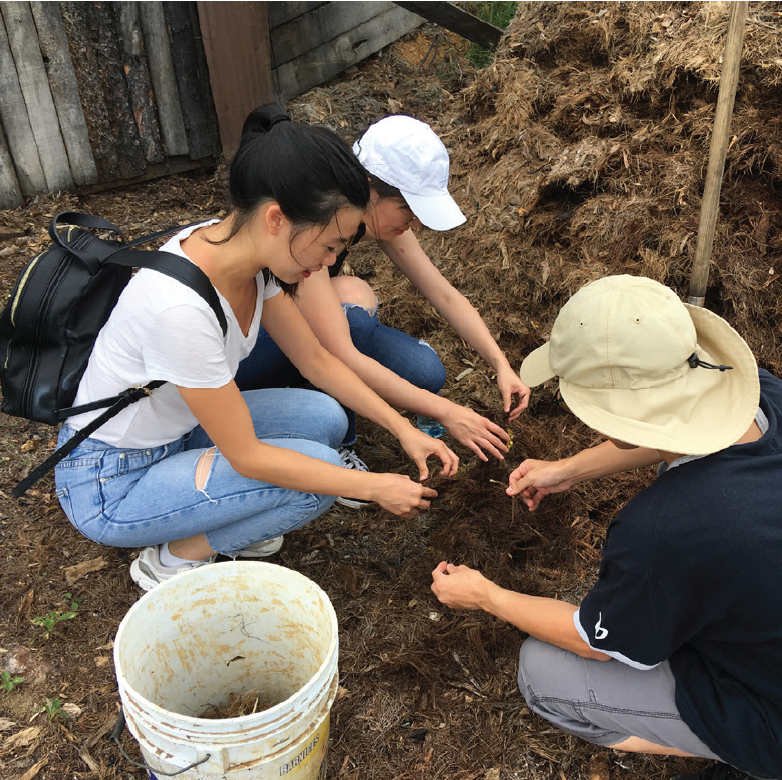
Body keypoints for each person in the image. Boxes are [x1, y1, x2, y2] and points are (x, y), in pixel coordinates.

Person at [54, 104, 458, 592]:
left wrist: (400, 428)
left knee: (325, 418)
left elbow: (316, 361)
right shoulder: (180, 309)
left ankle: (228, 511)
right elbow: (246, 455)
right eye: (330, 246)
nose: (330, 264)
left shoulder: (245, 256)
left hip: (179, 431)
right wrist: (374, 487)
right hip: (111, 481)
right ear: (276, 218)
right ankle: (172, 558)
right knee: (316, 486)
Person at [431, 275, 782, 780]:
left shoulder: (665, 530)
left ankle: (742, 750)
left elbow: (592, 642)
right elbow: (681, 431)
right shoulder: (761, 396)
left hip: (769, 702)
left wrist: (486, 595)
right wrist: (569, 469)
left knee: (542, 674)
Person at [235, 115, 530, 504]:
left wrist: (499, 363)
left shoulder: (370, 215)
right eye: (407, 209)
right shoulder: (311, 228)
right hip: (247, 351)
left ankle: (316, 393)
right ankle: (339, 441)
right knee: (350, 325)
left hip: (306, 332)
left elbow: (442, 293)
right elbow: (336, 354)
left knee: (425, 371)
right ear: (369, 189)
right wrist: (446, 413)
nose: (414, 222)